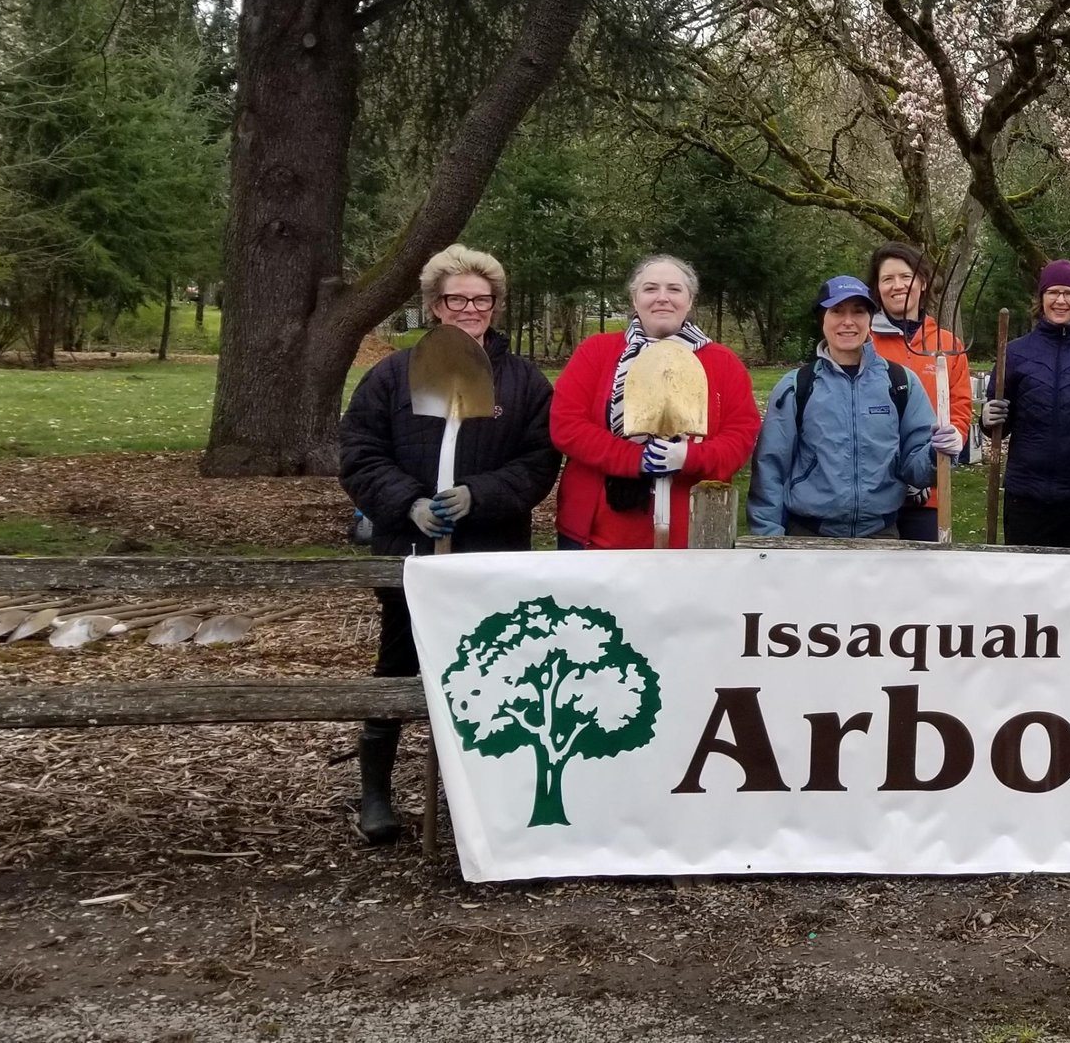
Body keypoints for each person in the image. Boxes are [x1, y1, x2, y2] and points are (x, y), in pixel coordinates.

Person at [338, 245, 560, 844]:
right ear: (435, 305)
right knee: (399, 666)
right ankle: (376, 794)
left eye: (480, 299)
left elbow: (540, 460)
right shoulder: (391, 376)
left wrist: (481, 495)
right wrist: (407, 502)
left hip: (492, 551)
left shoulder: (522, 380)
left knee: (496, 675)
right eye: (456, 299)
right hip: (411, 552)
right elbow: (359, 453)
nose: (469, 309)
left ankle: (486, 799)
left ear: (495, 305)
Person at [550, 255, 759, 550]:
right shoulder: (596, 352)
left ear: (689, 301)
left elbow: (739, 437)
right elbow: (567, 425)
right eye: (650, 289)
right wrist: (636, 459)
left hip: (686, 534)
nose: (662, 298)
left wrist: (688, 457)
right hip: (597, 535)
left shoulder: (722, 363)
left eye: (674, 289)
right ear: (635, 300)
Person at [750, 277, 956, 537]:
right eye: (837, 311)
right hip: (808, 536)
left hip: (881, 537)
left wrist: (935, 455)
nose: (848, 321)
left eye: (858, 311)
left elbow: (915, 470)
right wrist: (768, 538)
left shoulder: (901, 383)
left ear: (870, 319)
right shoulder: (797, 386)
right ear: (822, 319)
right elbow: (770, 468)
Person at [980, 261, 1070, 548]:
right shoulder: (1016, 354)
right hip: (1026, 497)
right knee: (1026, 583)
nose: (1061, 300)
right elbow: (998, 424)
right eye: (1054, 292)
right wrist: (987, 418)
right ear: (1041, 298)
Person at [866, 242, 973, 541]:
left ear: (922, 283)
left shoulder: (947, 344)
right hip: (873, 489)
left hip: (931, 493)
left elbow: (960, 406)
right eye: (887, 279)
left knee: (927, 579)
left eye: (905, 276)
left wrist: (955, 437)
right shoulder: (865, 343)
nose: (897, 286)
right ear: (877, 288)